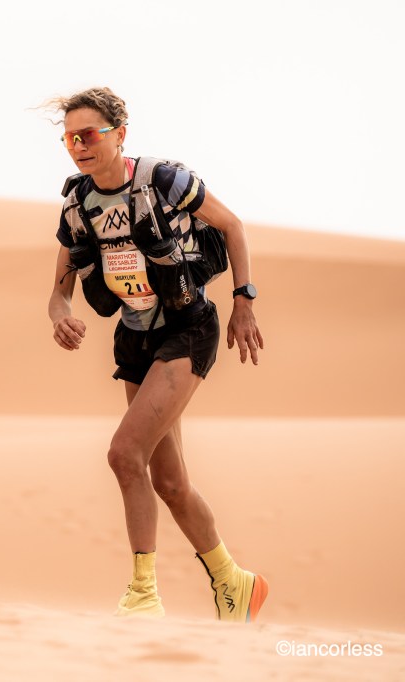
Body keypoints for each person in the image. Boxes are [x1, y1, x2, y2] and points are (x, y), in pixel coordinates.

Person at [44, 87, 268, 622]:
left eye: (88, 135)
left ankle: (143, 595)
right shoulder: (77, 207)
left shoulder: (164, 181)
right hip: (135, 339)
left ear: (119, 134)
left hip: (187, 331)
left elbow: (233, 226)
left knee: (124, 454)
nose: (79, 146)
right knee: (170, 482)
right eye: (69, 139)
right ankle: (235, 584)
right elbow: (58, 291)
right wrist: (60, 317)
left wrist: (243, 301)